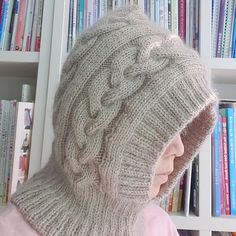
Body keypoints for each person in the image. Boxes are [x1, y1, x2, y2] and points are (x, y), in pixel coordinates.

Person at [0, 5, 217, 236]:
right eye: (161, 133)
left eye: (181, 129)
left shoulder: (160, 226)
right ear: (104, 135)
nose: (180, 148)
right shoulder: (11, 229)